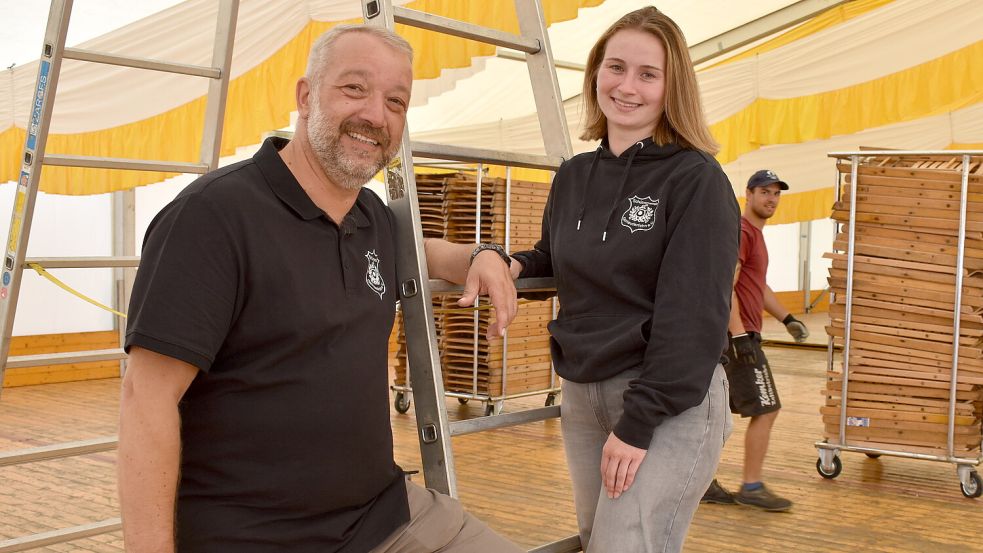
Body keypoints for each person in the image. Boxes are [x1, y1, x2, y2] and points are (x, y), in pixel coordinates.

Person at [117, 24, 524, 553]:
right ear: (306, 97)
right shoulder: (213, 217)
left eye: (395, 101)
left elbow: (420, 247)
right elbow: (145, 401)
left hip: (385, 518)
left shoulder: (370, 215)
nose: (376, 115)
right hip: (255, 538)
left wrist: (479, 255)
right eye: (355, 89)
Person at [509, 7, 739, 552]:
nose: (626, 86)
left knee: (626, 547)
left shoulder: (695, 180)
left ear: (671, 86)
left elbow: (694, 316)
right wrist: (507, 261)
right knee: (599, 542)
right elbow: (556, 255)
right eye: (615, 67)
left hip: (666, 397)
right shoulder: (573, 176)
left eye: (647, 74)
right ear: (594, 74)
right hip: (583, 392)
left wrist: (639, 423)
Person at [701, 169, 810, 512]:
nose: (771, 199)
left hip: (740, 333)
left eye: (776, 193)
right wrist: (740, 337)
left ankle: (702, 482)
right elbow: (727, 285)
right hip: (736, 336)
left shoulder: (756, 236)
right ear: (748, 194)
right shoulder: (743, 231)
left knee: (717, 413)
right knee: (767, 408)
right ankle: (751, 486)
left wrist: (788, 318)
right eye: (764, 192)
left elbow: (757, 286)